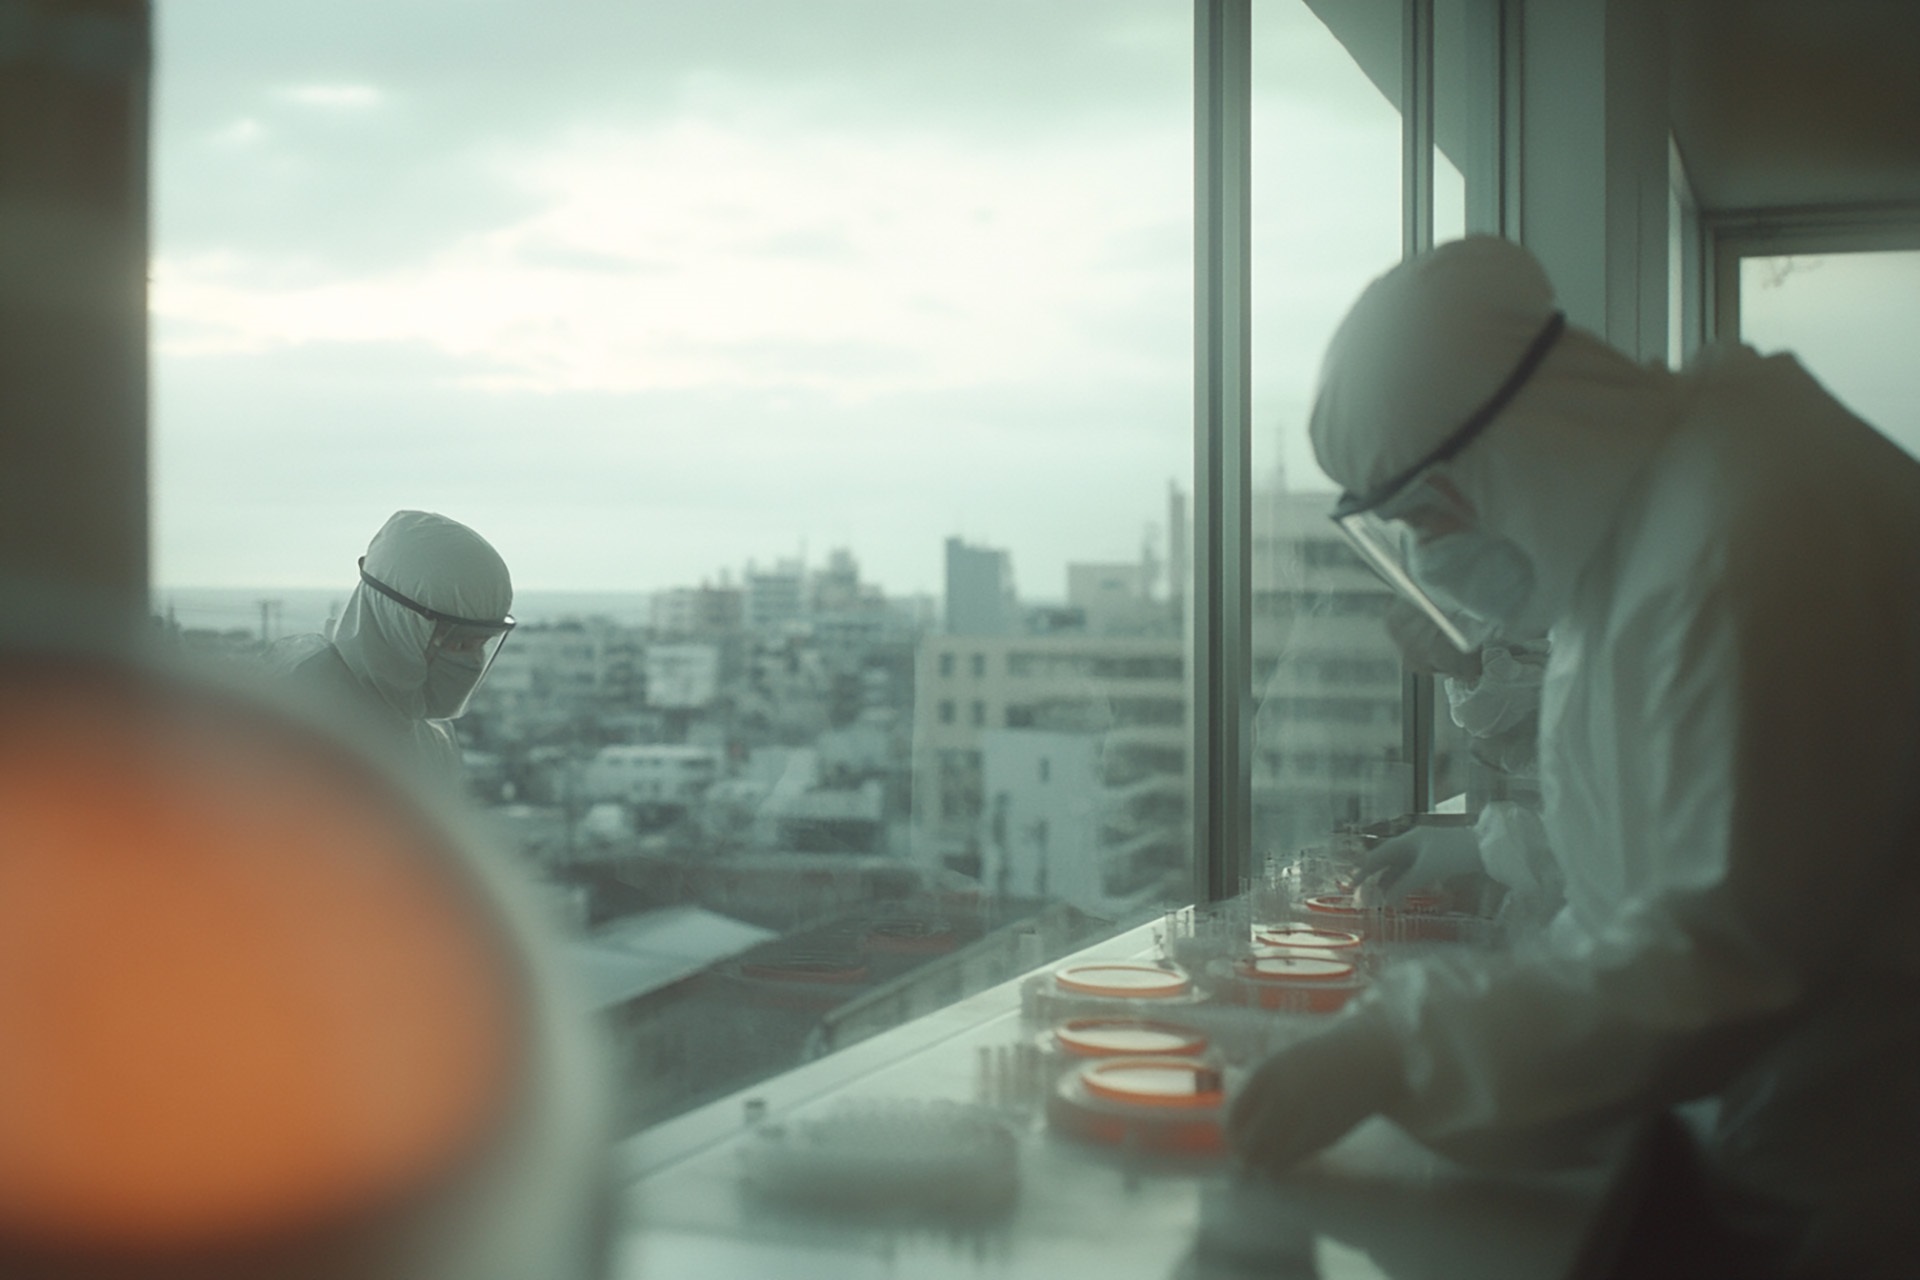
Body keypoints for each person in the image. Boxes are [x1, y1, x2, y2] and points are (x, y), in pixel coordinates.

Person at [1227, 236, 1920, 1278]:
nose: (1429, 557)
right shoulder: (1676, 508)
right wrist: (1477, 858)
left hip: (1855, 1184)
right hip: (1790, 1136)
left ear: (1506, 447)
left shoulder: (1742, 543)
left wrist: (1403, 1039)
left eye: (1422, 516)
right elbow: (1672, 836)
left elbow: (1718, 954)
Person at [278, 510, 515, 784]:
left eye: (482, 645)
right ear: (397, 624)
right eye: (459, 643)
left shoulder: (428, 735)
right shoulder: (297, 722)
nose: (473, 662)